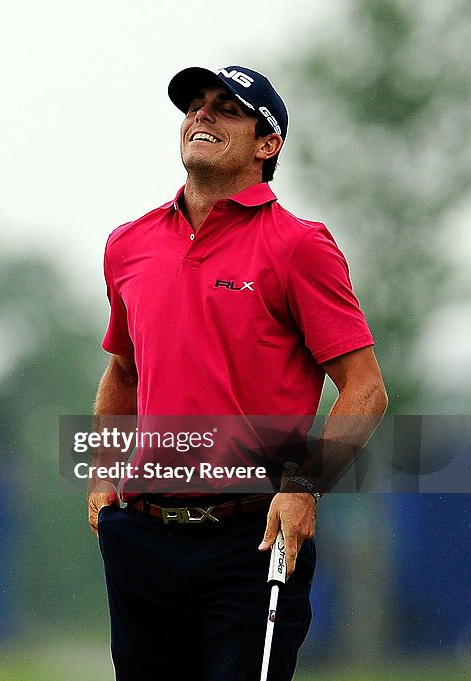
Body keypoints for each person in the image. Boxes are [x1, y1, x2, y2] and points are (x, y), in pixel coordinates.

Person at [88, 65, 388, 681]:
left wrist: (305, 488)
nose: (202, 115)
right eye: (195, 105)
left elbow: (366, 389)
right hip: (142, 536)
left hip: (250, 538)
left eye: (227, 108)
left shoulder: (299, 245)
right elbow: (124, 371)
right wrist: (101, 473)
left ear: (267, 143)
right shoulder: (129, 244)